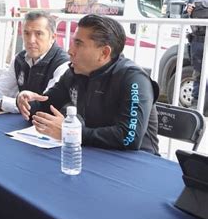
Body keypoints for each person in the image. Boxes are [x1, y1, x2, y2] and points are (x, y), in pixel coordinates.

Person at [17, 14, 159, 154]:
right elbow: (44, 107)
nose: (70, 51)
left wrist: (72, 133)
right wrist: (24, 101)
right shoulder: (74, 73)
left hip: (138, 163)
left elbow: (129, 138)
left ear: (104, 53)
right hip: (94, 154)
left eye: (78, 44)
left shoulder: (134, 78)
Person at [0, 10, 69, 113]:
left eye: (38, 34)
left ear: (52, 37)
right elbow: (1, 86)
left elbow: (43, 104)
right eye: (27, 33)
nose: (31, 40)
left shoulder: (62, 64)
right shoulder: (20, 59)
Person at [184, 0, 208, 108]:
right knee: (199, 75)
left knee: (199, 75)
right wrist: (188, 11)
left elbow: (182, 16)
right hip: (198, 42)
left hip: (198, 43)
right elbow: (185, 15)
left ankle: (195, 107)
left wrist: (188, 12)